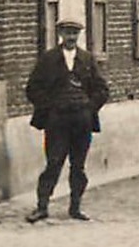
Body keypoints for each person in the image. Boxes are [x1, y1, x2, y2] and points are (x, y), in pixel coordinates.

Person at [25, 19, 111, 223]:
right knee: (54, 162)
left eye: (74, 33)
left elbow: (102, 89)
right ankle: (42, 206)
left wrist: (89, 108)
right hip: (57, 121)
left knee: (78, 166)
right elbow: (32, 88)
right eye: (67, 33)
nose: (71, 37)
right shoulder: (48, 59)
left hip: (81, 120)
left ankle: (75, 206)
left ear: (79, 35)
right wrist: (49, 107)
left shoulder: (87, 59)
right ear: (60, 34)